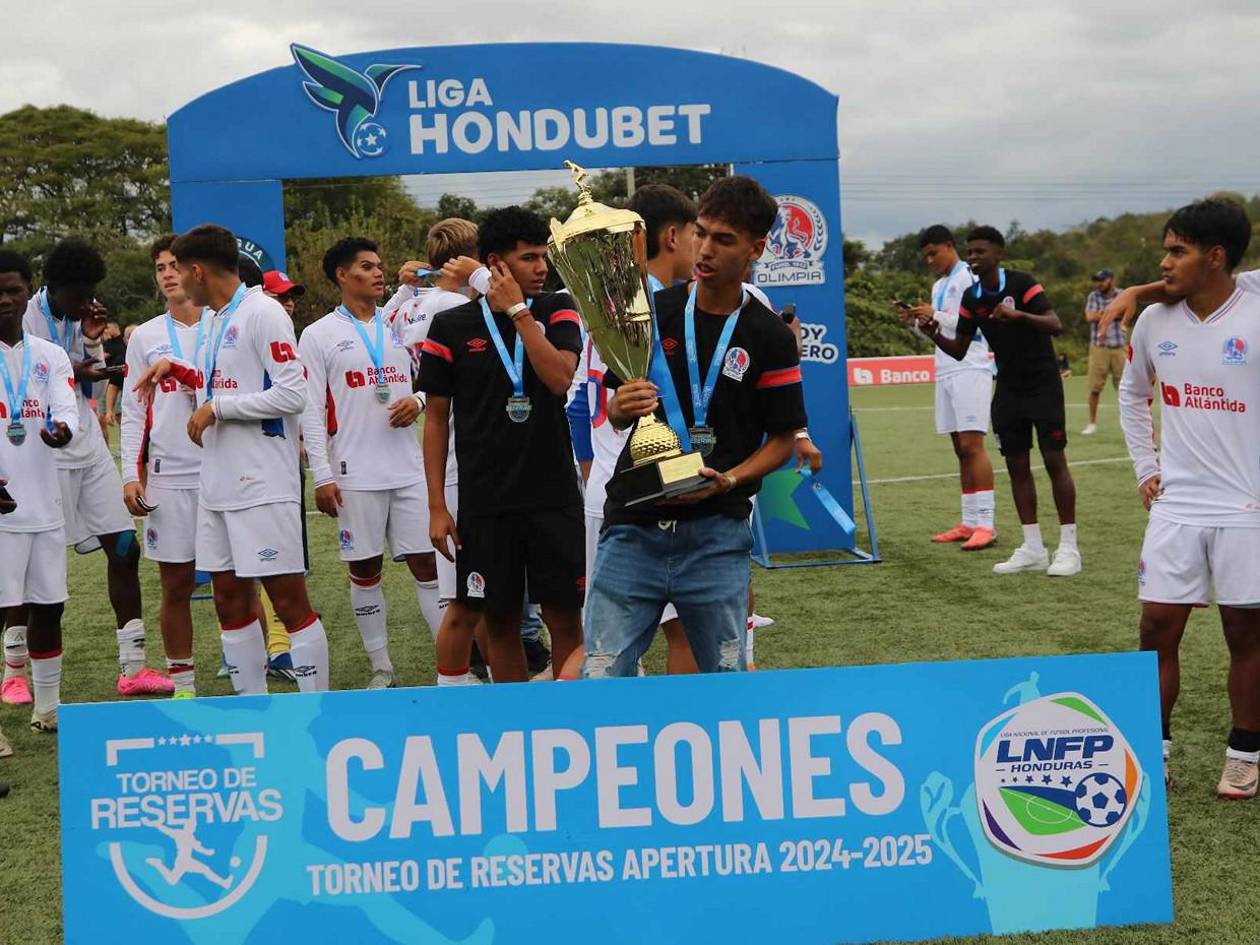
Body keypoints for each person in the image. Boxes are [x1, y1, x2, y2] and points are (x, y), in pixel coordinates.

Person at [584, 176, 806, 677]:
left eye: (723, 240)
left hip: (716, 535)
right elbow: (615, 408)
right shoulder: (650, 313)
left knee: (725, 681)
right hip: (634, 525)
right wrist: (621, 406)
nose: (705, 250)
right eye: (701, 233)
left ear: (756, 248)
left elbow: (783, 440)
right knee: (599, 677)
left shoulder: (769, 335)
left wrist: (729, 479)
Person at [133, 224, 328, 695]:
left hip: (262, 485)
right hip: (216, 484)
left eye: (181, 271)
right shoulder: (215, 319)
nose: (178, 281)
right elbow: (225, 378)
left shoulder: (263, 312)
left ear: (198, 271)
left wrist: (218, 409)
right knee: (228, 601)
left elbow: (293, 394)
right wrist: (179, 371)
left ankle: (317, 711)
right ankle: (252, 709)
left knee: (288, 601)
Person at [1117, 198, 1260, 799]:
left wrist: (1138, 287)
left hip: (1247, 508)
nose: (1164, 262)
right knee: (1156, 627)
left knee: (1245, 633)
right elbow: (1132, 395)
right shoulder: (1155, 322)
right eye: (1165, 251)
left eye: (1178, 251)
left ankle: (1245, 754)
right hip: (1176, 505)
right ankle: (1153, 751)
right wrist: (1145, 468)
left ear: (1217, 256)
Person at [418, 206, 584, 684]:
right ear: (496, 263)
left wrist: (518, 312)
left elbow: (560, 378)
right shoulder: (451, 326)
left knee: (564, 618)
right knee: (500, 621)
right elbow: (436, 420)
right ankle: (515, 719)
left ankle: (571, 713)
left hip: (553, 494)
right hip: (486, 501)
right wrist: (437, 505)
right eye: (529, 258)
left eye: (543, 257)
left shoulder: (556, 309)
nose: (541, 267)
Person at [10, 239, 168, 701]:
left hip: (88, 445)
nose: (86, 303)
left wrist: (94, 341)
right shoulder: (26, 315)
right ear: (52, 288)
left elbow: (92, 387)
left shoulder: (80, 318)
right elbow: (25, 387)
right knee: (27, 568)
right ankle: (15, 671)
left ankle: (133, 667)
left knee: (124, 548)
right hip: (41, 452)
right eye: (78, 296)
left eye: (90, 295)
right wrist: (74, 369)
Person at [299, 237, 429, 690]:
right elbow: (311, 410)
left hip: (409, 468)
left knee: (429, 565)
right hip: (354, 472)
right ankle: (382, 668)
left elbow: (433, 377)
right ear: (342, 275)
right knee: (365, 570)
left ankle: (453, 669)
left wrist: (418, 399)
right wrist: (322, 475)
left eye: (379, 266)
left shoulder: (396, 324)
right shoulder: (317, 335)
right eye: (367, 267)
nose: (378, 273)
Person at [917, 225, 1080, 576]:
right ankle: (1033, 548)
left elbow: (1055, 324)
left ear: (998, 254)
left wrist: (1018, 315)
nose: (974, 258)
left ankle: (1069, 548)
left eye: (980, 252)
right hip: (1007, 387)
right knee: (1017, 466)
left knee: (1054, 461)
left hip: (1043, 384)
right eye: (970, 252)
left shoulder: (1022, 283)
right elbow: (959, 348)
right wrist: (933, 334)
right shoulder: (972, 297)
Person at [118, 235, 211, 698]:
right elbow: (134, 411)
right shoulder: (146, 336)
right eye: (160, 268)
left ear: (195, 269)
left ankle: (248, 678)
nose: (168, 274)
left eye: (175, 265)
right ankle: (185, 685)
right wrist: (130, 475)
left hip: (222, 470)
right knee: (176, 585)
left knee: (237, 582)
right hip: (169, 476)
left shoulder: (222, 324)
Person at [0, 249, 79, 732]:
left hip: (45, 504)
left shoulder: (50, 356)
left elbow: (65, 408)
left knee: (49, 606)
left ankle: (48, 709)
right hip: (1, 511)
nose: (5, 300)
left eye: (13, 290)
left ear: (28, 292)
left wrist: (63, 431)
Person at [902, 225, 997, 550]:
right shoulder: (939, 285)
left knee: (973, 445)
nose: (930, 261)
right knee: (960, 448)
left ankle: (986, 524)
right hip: (945, 368)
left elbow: (975, 322)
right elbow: (939, 330)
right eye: (926, 256)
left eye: (933, 253)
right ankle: (969, 521)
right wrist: (916, 324)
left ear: (948, 246)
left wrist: (936, 314)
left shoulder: (968, 277)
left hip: (971, 366)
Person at [1082, 268, 1124, 435]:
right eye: (1097, 280)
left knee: (1124, 388)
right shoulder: (1093, 296)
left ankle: (1127, 422)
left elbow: (1125, 313)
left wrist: (1102, 314)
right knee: (1095, 388)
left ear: (1111, 280)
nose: (1099, 284)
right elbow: (1090, 316)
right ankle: (1092, 423)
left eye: (1102, 280)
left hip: (1119, 347)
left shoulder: (1122, 294)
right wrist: (1112, 313)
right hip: (1099, 347)